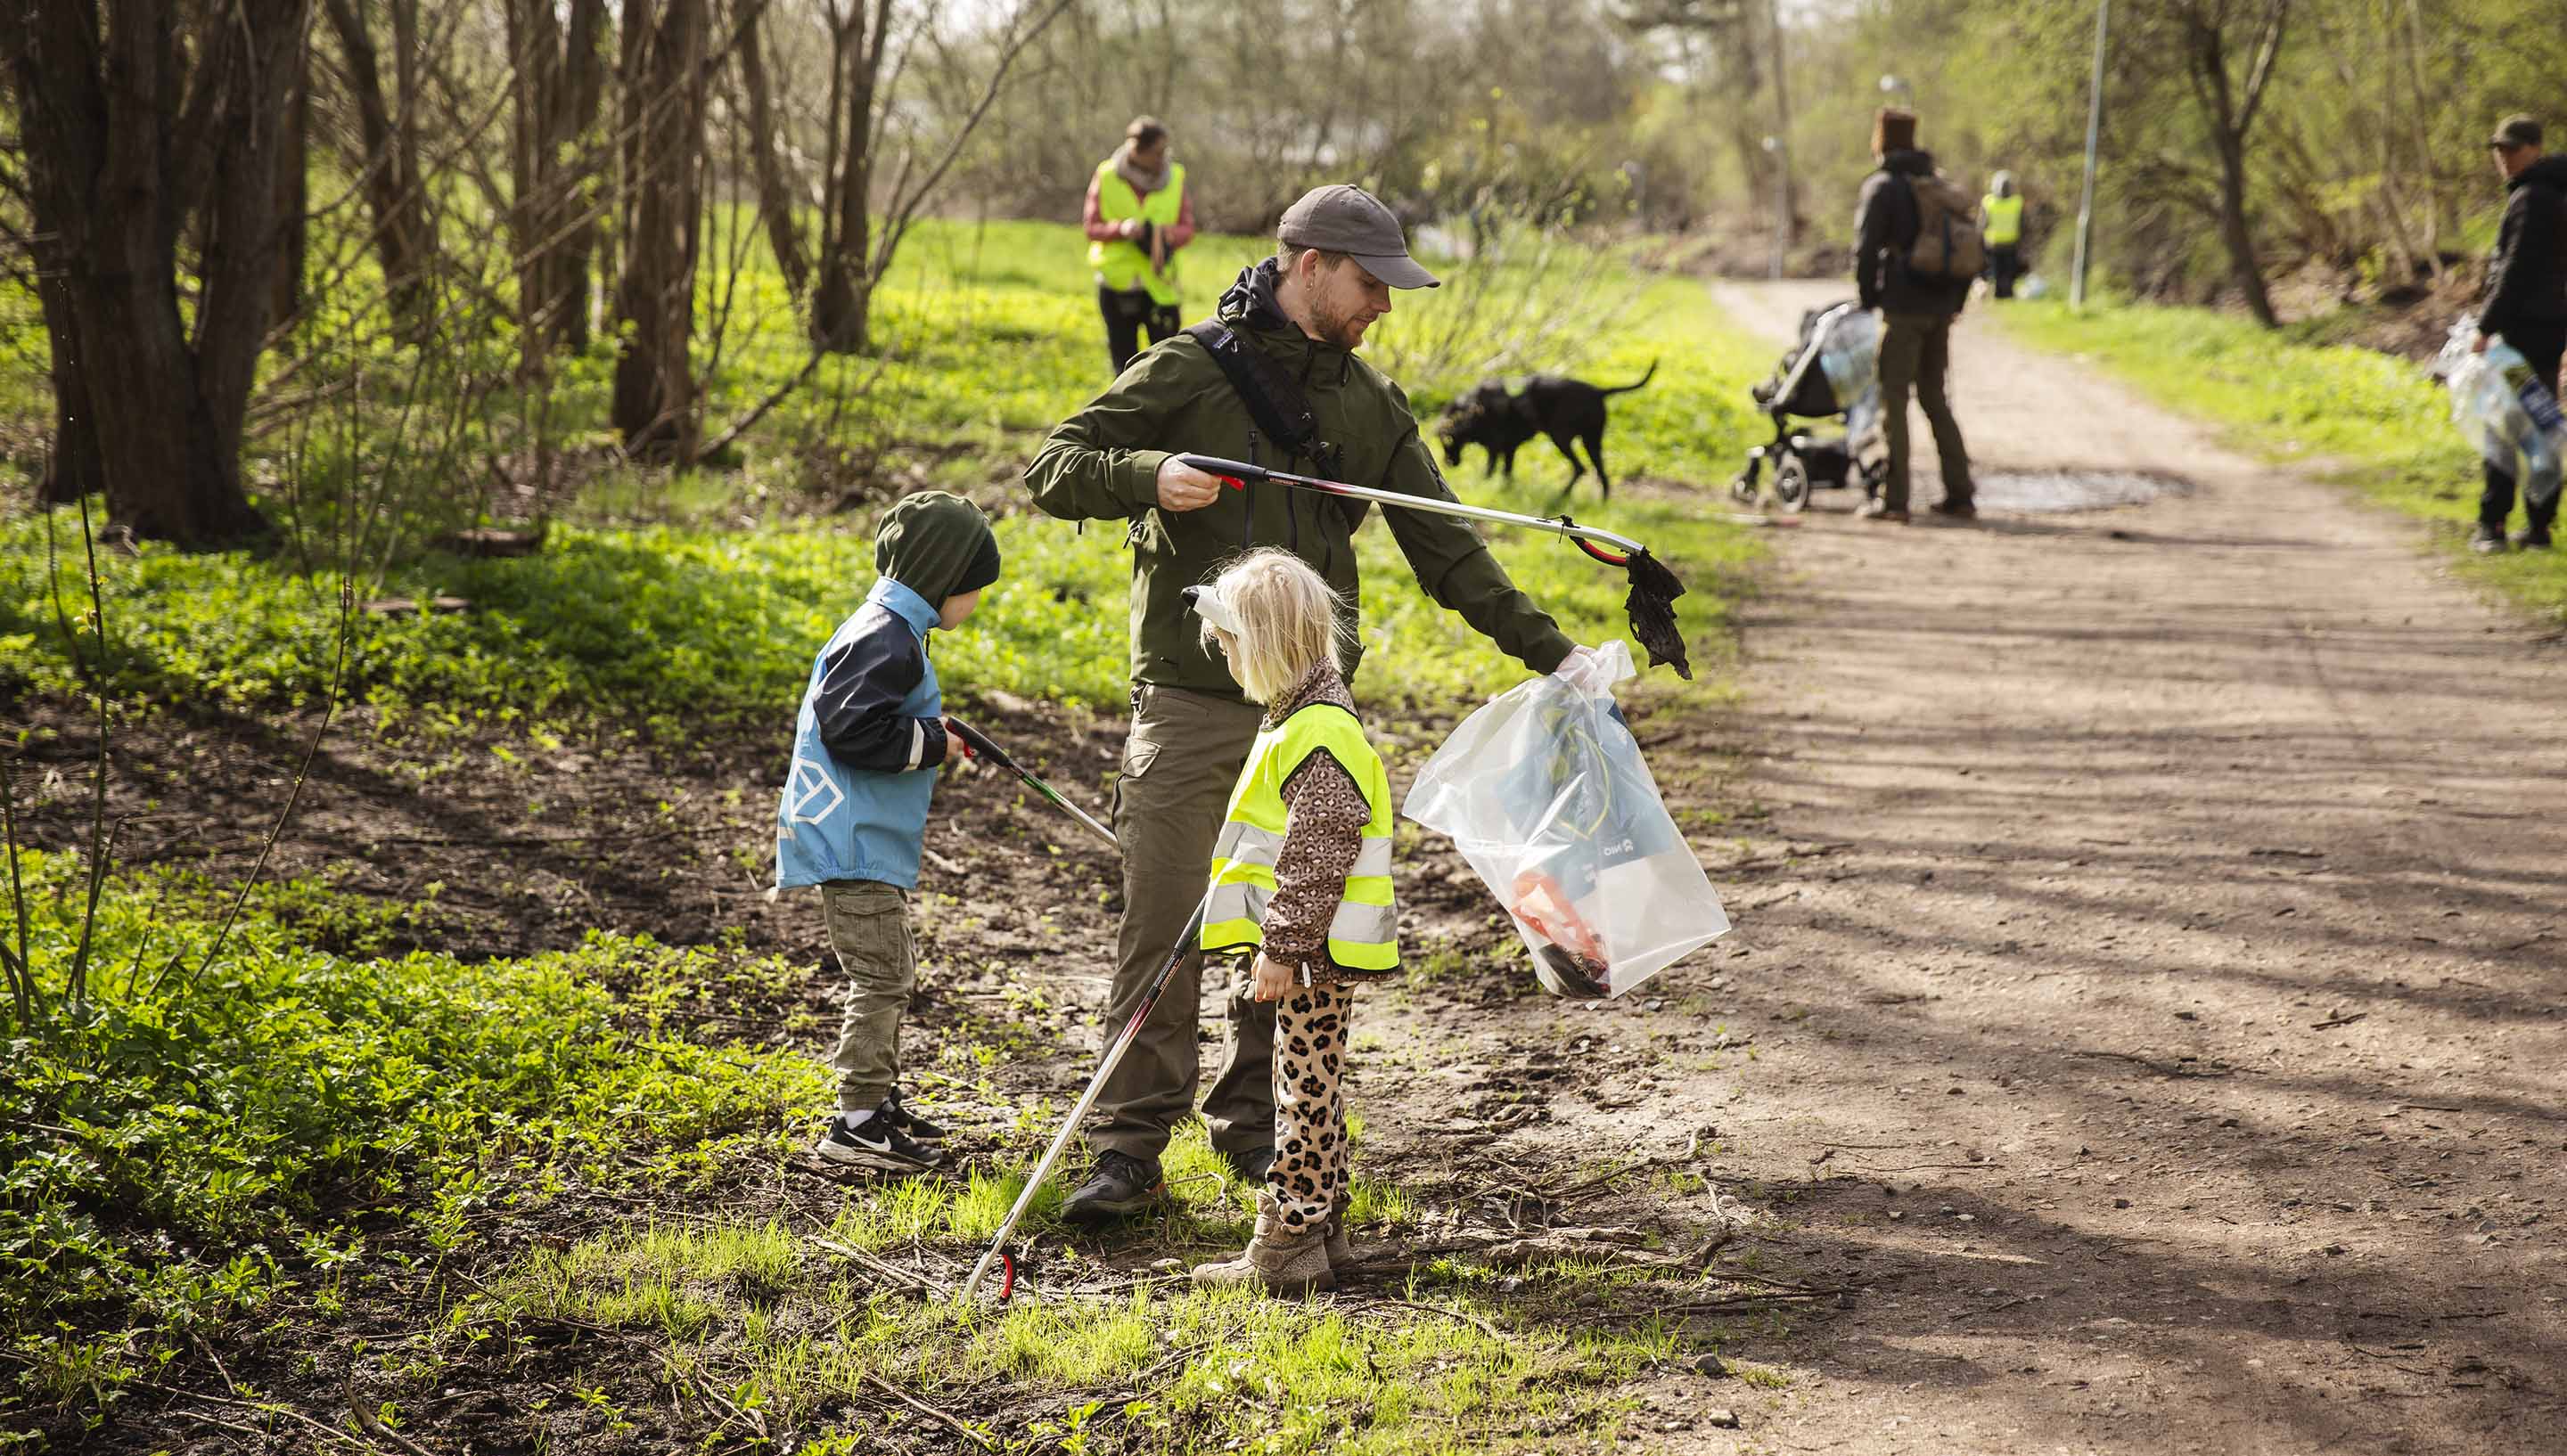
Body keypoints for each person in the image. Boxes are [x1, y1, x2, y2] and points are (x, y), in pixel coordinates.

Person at [1024, 183, 1598, 1224]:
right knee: (1164, 922)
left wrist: (1556, 656)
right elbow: (1053, 468)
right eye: (1372, 283)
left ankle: (1262, 1131)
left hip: (1309, 714)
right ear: (1311, 264)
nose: (1385, 305)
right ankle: (1125, 1149)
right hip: (1192, 701)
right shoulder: (1187, 368)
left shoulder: (1371, 406)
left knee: (1286, 928)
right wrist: (1149, 475)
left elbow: (1449, 548)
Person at [1181, 550, 1396, 1293]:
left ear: (1267, 645)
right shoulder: (1297, 719)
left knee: (1301, 1088)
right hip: (1309, 947)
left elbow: (1319, 848)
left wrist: (1282, 946)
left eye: (1233, 647)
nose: (1228, 663)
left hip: (1312, 952)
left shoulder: (1320, 731)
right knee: (1311, 1082)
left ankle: (1287, 1241)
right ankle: (1324, 1227)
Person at [775, 490, 1002, 1173]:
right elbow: (850, 728)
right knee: (882, 979)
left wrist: (941, 737)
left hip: (867, 841)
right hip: (853, 843)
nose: (978, 601)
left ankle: (878, 1101)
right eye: (975, 588)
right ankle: (857, 1124)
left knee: (890, 971)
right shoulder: (887, 637)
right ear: (943, 577)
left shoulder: (889, 628)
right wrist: (932, 741)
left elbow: (871, 717)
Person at [1852, 107, 1976, 523]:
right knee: (1934, 399)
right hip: (1939, 308)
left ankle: (1894, 500)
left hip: (1902, 309)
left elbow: (1866, 249)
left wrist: (1869, 298)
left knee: (1893, 400)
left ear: (1881, 141)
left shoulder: (1882, 188)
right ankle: (1960, 493)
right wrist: (1952, 302)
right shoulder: (1935, 184)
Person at [2470, 114, 2567, 553]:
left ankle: (2492, 526)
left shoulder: (2531, 198)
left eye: (2511, 149)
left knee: (2503, 427)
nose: (2503, 159)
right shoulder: (2555, 193)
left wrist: (2486, 325)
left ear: (2534, 148)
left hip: (2520, 338)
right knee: (2542, 428)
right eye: (2498, 150)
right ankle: (2539, 528)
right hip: (2550, 334)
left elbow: (2515, 271)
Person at [1086, 116, 1197, 376]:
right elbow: (1091, 227)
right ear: (1137, 151)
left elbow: (1188, 228)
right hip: (1117, 285)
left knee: (1167, 369)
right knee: (1123, 369)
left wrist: (1164, 235)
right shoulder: (1107, 175)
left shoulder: (1176, 176)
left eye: (1164, 152)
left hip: (1160, 287)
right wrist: (1121, 229)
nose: (1162, 159)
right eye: (1157, 153)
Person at [1981, 170, 2025, 301]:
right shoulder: (2017, 202)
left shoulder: (1988, 202)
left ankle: (1998, 294)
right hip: (2011, 242)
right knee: (2009, 270)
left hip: (1993, 243)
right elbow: (2022, 224)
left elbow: (1983, 224)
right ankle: (2008, 294)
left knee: (1997, 270)